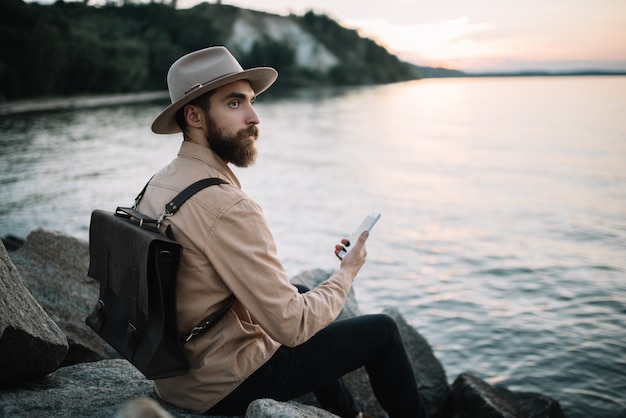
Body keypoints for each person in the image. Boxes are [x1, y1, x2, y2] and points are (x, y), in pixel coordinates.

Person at [137, 46, 427, 418]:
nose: (253, 117)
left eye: (252, 102)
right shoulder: (226, 205)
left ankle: (350, 414)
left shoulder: (159, 184)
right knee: (383, 332)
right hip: (220, 384)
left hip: (176, 372)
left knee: (301, 292)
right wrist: (346, 274)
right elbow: (292, 326)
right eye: (234, 103)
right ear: (194, 115)